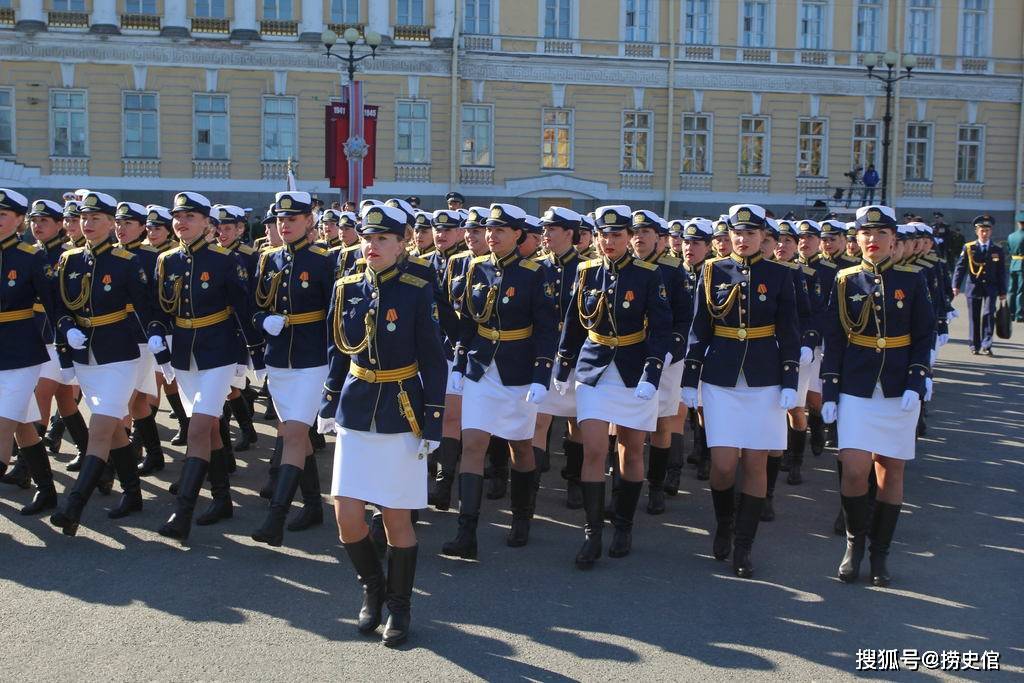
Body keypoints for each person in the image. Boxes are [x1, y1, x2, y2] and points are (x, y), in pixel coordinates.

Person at [320, 202, 445, 647]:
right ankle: (372, 587)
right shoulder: (346, 285)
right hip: (356, 408)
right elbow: (338, 348)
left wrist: (433, 420)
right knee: (347, 516)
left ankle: (399, 606)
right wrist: (329, 400)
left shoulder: (417, 288)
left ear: (401, 243)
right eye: (368, 238)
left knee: (395, 518)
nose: (372, 246)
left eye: (382, 239)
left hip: (400, 410)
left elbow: (433, 357)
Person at [681, 204, 801, 578]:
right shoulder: (712, 270)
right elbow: (700, 327)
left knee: (755, 462)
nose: (743, 239)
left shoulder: (780, 275)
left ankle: (744, 546)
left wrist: (790, 382)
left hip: (764, 379)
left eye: (751, 233)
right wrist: (689, 379)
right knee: (722, 464)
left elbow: (790, 332)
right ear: (729, 234)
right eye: (737, 232)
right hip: (721, 378)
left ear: (763, 236)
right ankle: (724, 523)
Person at [820, 205, 934, 587]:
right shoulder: (845, 280)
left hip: (898, 387)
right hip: (856, 385)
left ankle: (881, 554)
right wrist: (830, 388)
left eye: (880, 234)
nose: (872, 240)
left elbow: (924, 335)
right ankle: (855, 545)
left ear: (893, 239)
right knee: (854, 469)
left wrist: (918, 380)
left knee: (890, 472)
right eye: (865, 235)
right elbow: (834, 338)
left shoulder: (913, 280)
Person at [554, 204, 671, 568]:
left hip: (633, 369)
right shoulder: (586, 271)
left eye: (616, 235)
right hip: (594, 368)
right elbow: (574, 322)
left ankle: (623, 524)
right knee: (592, 451)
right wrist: (562, 365)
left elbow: (662, 328)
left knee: (631, 450)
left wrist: (652, 374)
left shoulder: (648, 275)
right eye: (603, 235)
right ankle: (592, 534)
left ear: (629, 238)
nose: (608, 241)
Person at [442, 203, 558, 558]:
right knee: (473, 443)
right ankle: (467, 532)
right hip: (481, 368)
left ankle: (522, 516)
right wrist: (460, 363)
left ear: (518, 235)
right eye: (489, 230)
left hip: (518, 372)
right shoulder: (474, 267)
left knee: (520, 447)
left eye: (500, 230)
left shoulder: (536, 273)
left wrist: (541, 374)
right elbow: (468, 323)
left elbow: (546, 329)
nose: (491, 236)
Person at [49, 190, 164, 535]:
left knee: (100, 427)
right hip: (85, 356)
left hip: (119, 355)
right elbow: (60, 307)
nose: (87, 224)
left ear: (111, 224)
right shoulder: (69, 260)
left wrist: (159, 341)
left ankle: (73, 506)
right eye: (84, 218)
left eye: (95, 219)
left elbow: (147, 308)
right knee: (113, 429)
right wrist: (67, 329)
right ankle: (133, 493)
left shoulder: (125, 262)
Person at [152, 191, 263, 543]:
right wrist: (157, 334)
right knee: (210, 429)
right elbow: (159, 309)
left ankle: (182, 512)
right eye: (177, 217)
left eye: (189, 217)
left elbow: (242, 309)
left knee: (198, 429)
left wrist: (253, 358)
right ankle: (222, 499)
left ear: (206, 224)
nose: (181, 222)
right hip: (185, 355)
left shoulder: (223, 260)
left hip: (218, 353)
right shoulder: (166, 260)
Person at [250, 191, 334, 546]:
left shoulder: (323, 261)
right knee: (291, 432)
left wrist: (336, 365)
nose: (284, 225)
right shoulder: (268, 259)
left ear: (309, 222)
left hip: (311, 357)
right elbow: (252, 305)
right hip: (279, 356)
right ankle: (313, 504)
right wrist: (263, 320)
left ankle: (276, 517)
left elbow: (334, 316)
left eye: (293, 219)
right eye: (280, 220)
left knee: (295, 435)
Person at [0, 190, 60, 516]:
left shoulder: (30, 256)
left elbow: (53, 304)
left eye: (3, 215)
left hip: (21, 353)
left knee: (3, 427)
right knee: (23, 425)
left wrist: (66, 338)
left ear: (18, 220)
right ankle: (48, 490)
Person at [629, 210, 692, 515]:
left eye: (646, 233)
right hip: (629, 353)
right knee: (624, 424)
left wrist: (671, 349)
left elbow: (683, 318)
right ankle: (621, 487)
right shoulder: (624, 266)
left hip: (665, 356)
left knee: (661, 422)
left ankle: (656, 485)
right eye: (635, 232)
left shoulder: (673, 270)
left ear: (659, 238)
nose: (639, 238)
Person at [533, 206, 586, 508]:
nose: (546, 235)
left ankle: (575, 481)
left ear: (569, 233)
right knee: (539, 420)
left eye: (552, 229)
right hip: (544, 351)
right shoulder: (536, 267)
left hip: (576, 353)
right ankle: (534, 482)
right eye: (545, 229)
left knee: (576, 421)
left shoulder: (587, 268)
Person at [952, 215, 1008, 355]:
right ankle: (974, 344)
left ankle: (987, 343)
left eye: (987, 231)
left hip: (991, 287)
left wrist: (1003, 291)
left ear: (991, 232)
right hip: (974, 286)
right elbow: (960, 268)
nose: (984, 233)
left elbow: (1001, 272)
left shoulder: (997, 249)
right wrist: (956, 285)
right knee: (974, 316)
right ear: (976, 231)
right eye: (982, 230)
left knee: (989, 314)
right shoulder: (969, 248)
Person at [1007, 212, 1024, 322]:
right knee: (1021, 291)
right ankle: (1019, 315)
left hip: (1013, 264)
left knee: (1012, 290)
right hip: (1022, 265)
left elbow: (1009, 250)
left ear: (1018, 223)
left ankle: (1011, 314)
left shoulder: (1011, 236)